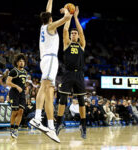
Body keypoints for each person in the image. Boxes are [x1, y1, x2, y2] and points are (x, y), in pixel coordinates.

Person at [29, 0, 71, 143]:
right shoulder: (51, 26)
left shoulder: (43, 25)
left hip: (46, 60)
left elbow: (48, 9)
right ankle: (37, 118)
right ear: (51, 19)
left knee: (48, 91)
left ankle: (50, 126)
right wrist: (66, 10)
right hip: (50, 60)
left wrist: (50, 0)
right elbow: (67, 18)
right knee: (46, 88)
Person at [56, 6, 87, 139]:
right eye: (72, 33)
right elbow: (65, 29)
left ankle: (83, 126)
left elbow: (81, 31)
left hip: (79, 74)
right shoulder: (67, 44)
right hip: (67, 74)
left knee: (81, 100)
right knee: (62, 99)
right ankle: (59, 124)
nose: (74, 34)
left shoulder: (81, 44)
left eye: (75, 33)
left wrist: (75, 17)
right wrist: (68, 16)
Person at [6, 53, 27, 139]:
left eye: (23, 61)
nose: (22, 63)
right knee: (15, 111)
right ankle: (11, 128)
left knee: (21, 111)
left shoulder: (25, 72)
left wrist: (25, 89)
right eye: (20, 61)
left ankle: (16, 129)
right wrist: (16, 86)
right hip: (14, 93)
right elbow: (8, 82)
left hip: (22, 93)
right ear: (17, 63)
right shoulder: (13, 71)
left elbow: (23, 83)